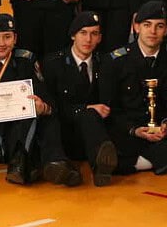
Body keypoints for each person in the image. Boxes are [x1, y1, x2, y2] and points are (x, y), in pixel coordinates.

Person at [0, 14, 81, 187]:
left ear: (15, 39)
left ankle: (49, 164)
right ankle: (37, 163)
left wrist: (43, 107)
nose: (1, 43)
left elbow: (47, 99)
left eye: (7, 37)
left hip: (20, 127)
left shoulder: (25, 61)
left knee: (43, 116)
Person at [99, 1, 167, 177]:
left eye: (159, 26)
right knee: (108, 138)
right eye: (147, 25)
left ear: (166, 30)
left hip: (162, 132)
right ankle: (161, 160)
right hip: (129, 130)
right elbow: (111, 108)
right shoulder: (115, 61)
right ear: (136, 27)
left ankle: (135, 165)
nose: (153, 31)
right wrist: (135, 130)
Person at [42, 11, 118, 186]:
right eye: (83, 33)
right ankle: (62, 167)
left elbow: (108, 103)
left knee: (91, 116)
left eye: (94, 34)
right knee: (50, 122)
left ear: (100, 38)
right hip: (63, 130)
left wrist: (90, 111)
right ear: (73, 35)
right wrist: (84, 109)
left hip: (92, 132)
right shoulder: (53, 64)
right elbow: (53, 105)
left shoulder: (106, 63)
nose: (88, 39)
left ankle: (101, 167)